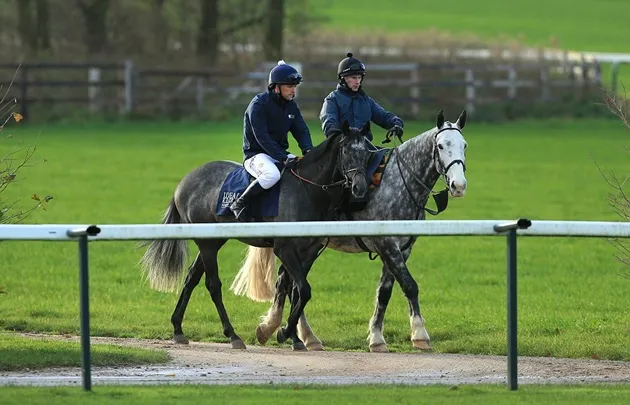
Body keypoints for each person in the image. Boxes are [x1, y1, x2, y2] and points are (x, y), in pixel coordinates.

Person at [230, 60, 314, 220]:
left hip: (279, 154)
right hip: (256, 155)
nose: (293, 91)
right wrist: (283, 157)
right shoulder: (258, 105)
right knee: (272, 175)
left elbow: (301, 130)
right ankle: (239, 203)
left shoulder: (291, 106)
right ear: (276, 87)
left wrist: (308, 150)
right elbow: (262, 138)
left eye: (294, 87)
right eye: (289, 86)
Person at [319, 52, 404, 144]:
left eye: (359, 78)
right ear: (343, 78)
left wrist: (396, 124)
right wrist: (336, 135)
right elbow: (329, 123)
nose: (357, 82)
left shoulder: (366, 100)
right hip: (341, 148)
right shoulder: (332, 100)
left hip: (365, 148)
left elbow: (384, 116)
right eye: (354, 78)